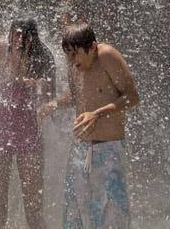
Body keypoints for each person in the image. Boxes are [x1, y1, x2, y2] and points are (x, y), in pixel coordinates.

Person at [47, 23, 140, 229]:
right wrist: (53, 105)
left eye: (76, 54)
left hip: (109, 150)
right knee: (74, 215)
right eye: (68, 55)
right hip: (80, 151)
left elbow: (132, 97)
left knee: (111, 216)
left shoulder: (107, 56)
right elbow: (76, 95)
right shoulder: (75, 65)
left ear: (92, 47)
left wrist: (97, 114)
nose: (72, 61)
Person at [0, 20, 53, 229]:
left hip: (29, 131)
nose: (19, 40)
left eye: (25, 36)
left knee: (33, 207)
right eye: (16, 35)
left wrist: (38, 86)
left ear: (33, 38)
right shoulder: (0, 48)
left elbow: (49, 99)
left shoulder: (42, 57)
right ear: (9, 34)